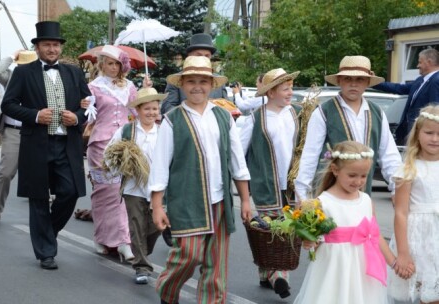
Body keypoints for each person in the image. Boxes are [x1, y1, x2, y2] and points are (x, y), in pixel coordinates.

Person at [149, 56, 252, 304]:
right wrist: (157, 206)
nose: (198, 86)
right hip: (186, 200)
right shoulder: (172, 119)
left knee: (216, 264)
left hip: (219, 200)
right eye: (191, 81)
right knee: (189, 254)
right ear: (183, 84)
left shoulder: (224, 116)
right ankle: (167, 289)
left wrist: (246, 200)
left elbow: (237, 162)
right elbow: (160, 166)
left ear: (211, 84)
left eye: (203, 81)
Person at [1, 21, 90, 270]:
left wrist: (77, 118)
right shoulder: (23, 72)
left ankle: (46, 232)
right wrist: (36, 115)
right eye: (46, 45)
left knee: (71, 192)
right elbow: (8, 105)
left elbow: (88, 105)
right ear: (38, 47)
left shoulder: (74, 72)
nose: (51, 49)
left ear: (60, 48)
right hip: (37, 143)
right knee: (38, 197)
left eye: (55, 45)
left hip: (67, 143)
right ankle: (46, 252)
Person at [294, 141, 398, 304]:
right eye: (352, 175)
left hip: (363, 272)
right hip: (334, 270)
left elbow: (375, 234)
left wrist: (393, 262)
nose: (358, 181)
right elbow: (314, 239)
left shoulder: (366, 200)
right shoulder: (322, 203)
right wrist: (309, 241)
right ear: (335, 170)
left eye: (363, 176)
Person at [295, 55, 402, 201]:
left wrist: (397, 188)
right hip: (330, 195)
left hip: (363, 194)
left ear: (368, 82)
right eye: (348, 79)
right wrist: (301, 195)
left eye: (360, 79)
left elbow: (389, 155)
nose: (354, 84)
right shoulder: (323, 112)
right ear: (339, 81)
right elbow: (310, 155)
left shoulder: (377, 113)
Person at [239, 68, 300, 299]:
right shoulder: (256, 117)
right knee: (273, 231)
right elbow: (239, 151)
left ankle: (268, 274)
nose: (290, 92)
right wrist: (243, 185)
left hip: (291, 183)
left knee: (288, 231)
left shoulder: (295, 113)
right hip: (266, 183)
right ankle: (278, 277)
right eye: (286, 89)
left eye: (291, 88)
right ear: (271, 92)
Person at [105, 87, 165, 284]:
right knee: (136, 224)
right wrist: (123, 163)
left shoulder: (165, 131)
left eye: (155, 109)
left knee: (156, 226)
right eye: (147, 109)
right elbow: (109, 153)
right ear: (138, 110)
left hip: (158, 188)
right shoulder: (126, 131)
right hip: (134, 188)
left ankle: (142, 251)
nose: (151, 113)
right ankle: (141, 266)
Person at [82, 44, 136, 261]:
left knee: (123, 190)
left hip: (124, 145)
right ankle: (101, 237)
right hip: (100, 145)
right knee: (104, 191)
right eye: (110, 63)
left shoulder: (130, 86)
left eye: (117, 63)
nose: (114, 67)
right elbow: (88, 118)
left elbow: (136, 112)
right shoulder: (93, 87)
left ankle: (123, 242)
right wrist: (84, 105)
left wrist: (146, 95)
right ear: (102, 64)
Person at [387, 105, 439, 303]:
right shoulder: (409, 168)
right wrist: (403, 253)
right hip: (420, 238)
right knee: (428, 294)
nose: (434, 138)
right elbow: (400, 212)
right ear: (418, 134)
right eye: (429, 132)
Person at [0, 50, 38, 223]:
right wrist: (11, 56)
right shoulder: (10, 77)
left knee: (42, 169)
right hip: (13, 131)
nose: (27, 68)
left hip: (36, 130)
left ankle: (45, 206)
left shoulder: (43, 79)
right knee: (6, 172)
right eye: (24, 64)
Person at [373, 48, 439, 145]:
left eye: (420, 62)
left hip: (423, 134)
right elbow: (399, 88)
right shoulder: (420, 80)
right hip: (411, 133)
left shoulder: (436, 80)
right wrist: (374, 82)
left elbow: (435, 109)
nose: (417, 66)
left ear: (429, 62)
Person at [160, 33, 228, 114]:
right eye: (199, 55)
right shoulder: (177, 79)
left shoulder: (218, 81)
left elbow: (227, 106)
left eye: (207, 56)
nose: (203, 58)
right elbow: (168, 108)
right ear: (189, 56)